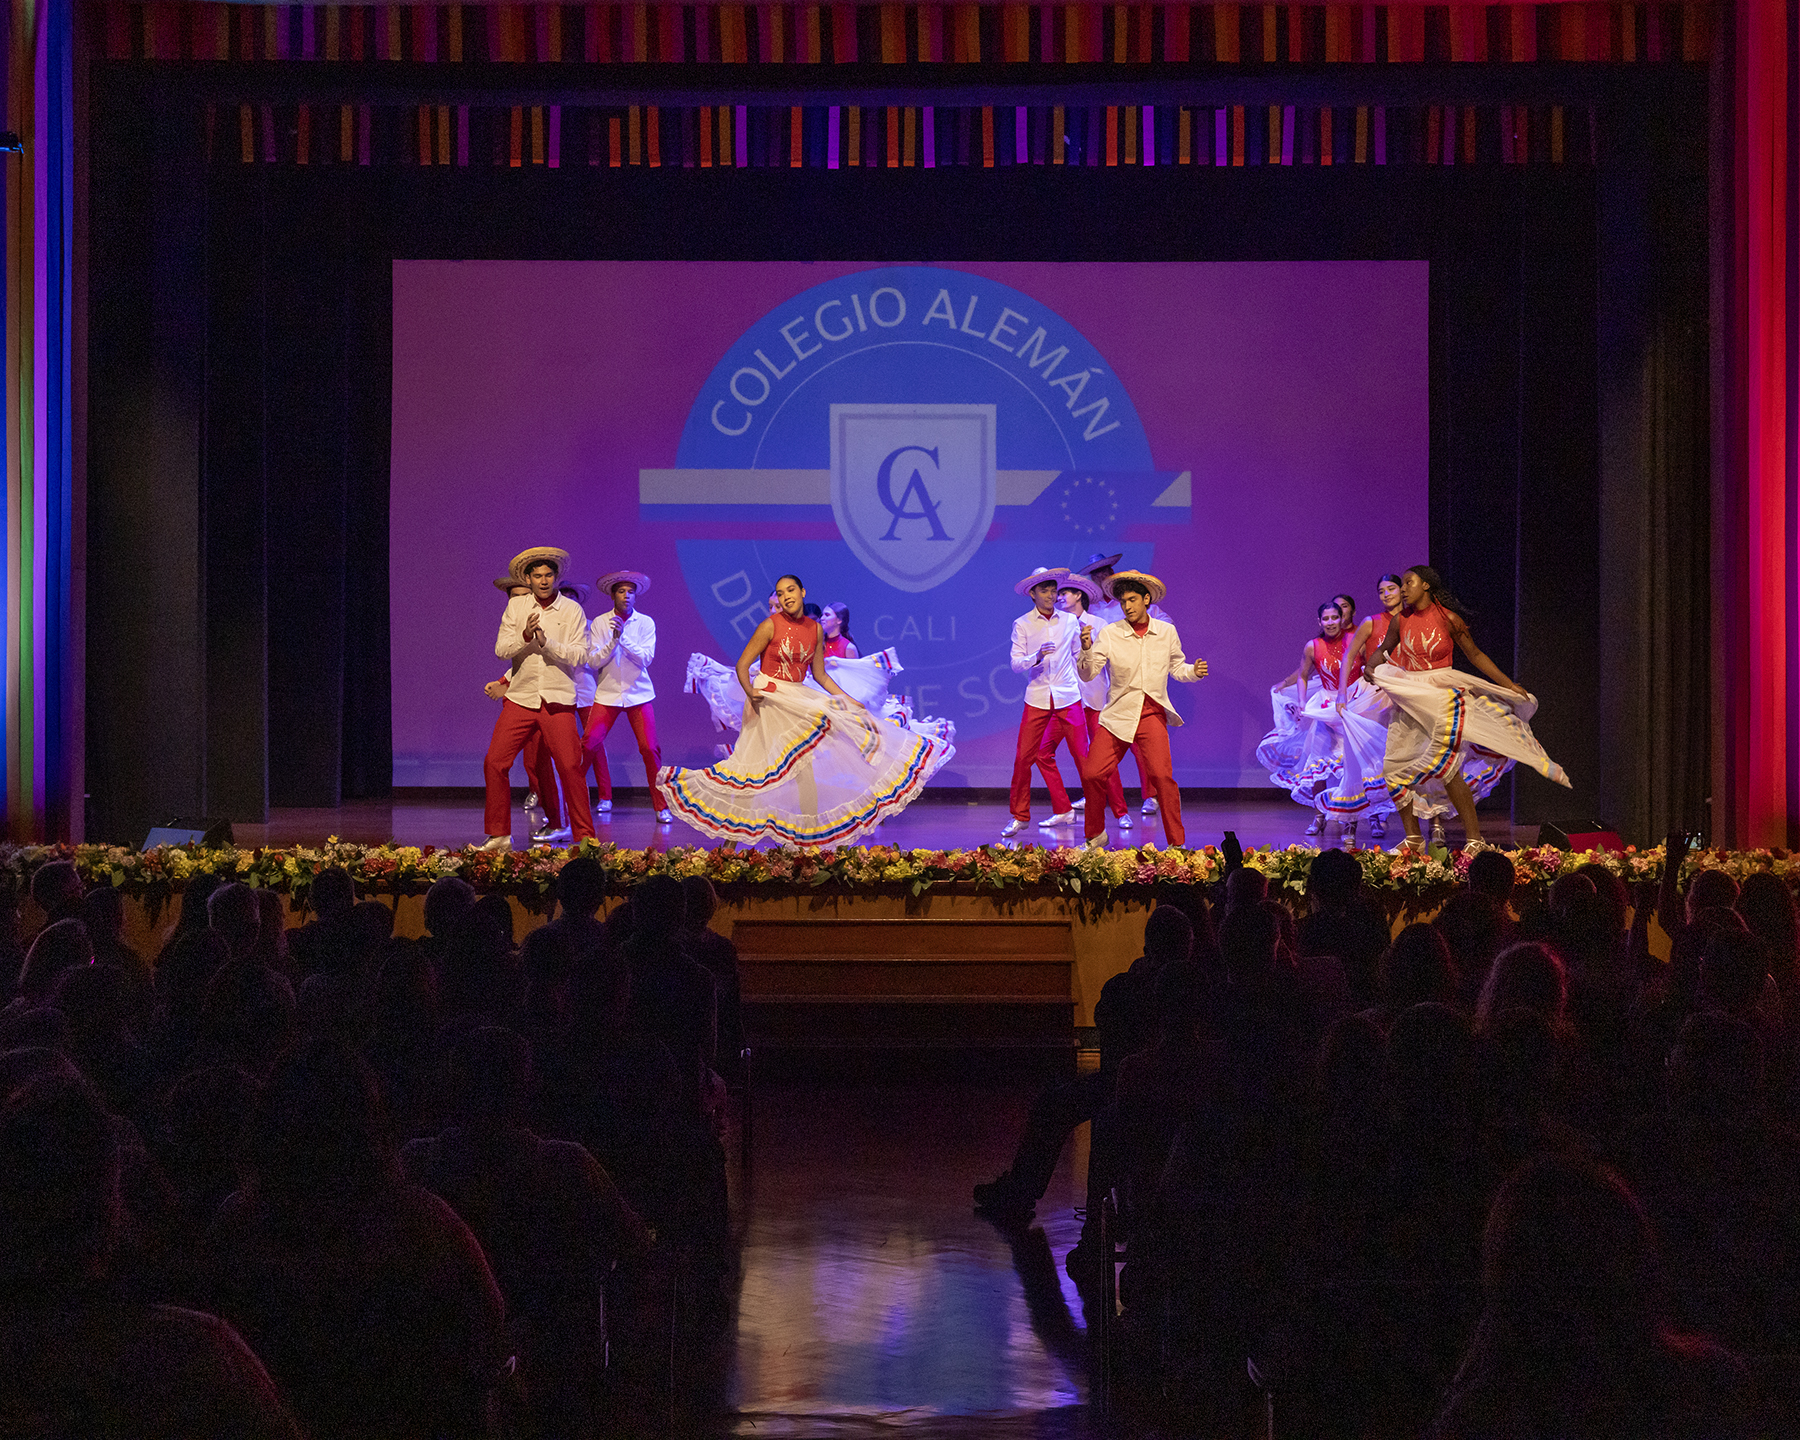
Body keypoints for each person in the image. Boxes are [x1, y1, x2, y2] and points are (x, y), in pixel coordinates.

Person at [659, 574, 944, 846]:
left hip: (795, 696)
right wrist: (751, 692)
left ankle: (808, 841)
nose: (786, 597)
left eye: (790, 590)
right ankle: (731, 843)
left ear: (802, 593)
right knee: (752, 768)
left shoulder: (814, 630)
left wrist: (848, 699)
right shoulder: (769, 626)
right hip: (767, 698)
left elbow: (820, 675)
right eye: (780, 593)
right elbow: (743, 665)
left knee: (805, 767)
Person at [1363, 565, 1569, 852]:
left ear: (1426, 585)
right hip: (1411, 697)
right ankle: (1413, 838)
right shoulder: (1401, 620)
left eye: (1409, 582)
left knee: (1447, 771)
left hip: (1441, 697)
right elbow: (1384, 648)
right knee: (1393, 769)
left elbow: (1475, 654)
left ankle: (1475, 839)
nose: (1404, 588)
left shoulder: (1448, 619)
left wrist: (1508, 684)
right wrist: (1371, 665)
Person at [1077, 569, 1207, 849]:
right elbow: (1088, 674)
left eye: (1132, 600)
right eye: (1123, 601)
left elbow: (1177, 667)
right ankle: (1096, 835)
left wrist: (1193, 672)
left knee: (1162, 778)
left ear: (1146, 600)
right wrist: (1085, 649)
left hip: (1151, 714)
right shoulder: (1111, 633)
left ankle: (1177, 844)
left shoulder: (1166, 632)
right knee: (1092, 774)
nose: (1127, 606)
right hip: (1118, 715)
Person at [480, 546, 596, 851]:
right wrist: (525, 637)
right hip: (522, 697)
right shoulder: (516, 607)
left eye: (548, 575)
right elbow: (501, 650)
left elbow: (580, 655)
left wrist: (547, 643)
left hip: (557, 699)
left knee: (570, 767)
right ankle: (499, 835)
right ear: (528, 579)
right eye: (537, 576)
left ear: (555, 578)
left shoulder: (571, 610)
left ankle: (585, 838)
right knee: (495, 762)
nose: (543, 581)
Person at [1257, 599, 1373, 841]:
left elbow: (1369, 668)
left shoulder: (1355, 642)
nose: (1330, 622)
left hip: (1351, 706)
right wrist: (1301, 702)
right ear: (1319, 621)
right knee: (1317, 763)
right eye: (1326, 618)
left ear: (1342, 618)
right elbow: (1303, 675)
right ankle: (1319, 816)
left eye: (1335, 617)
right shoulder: (1313, 646)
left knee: (1350, 768)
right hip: (1325, 707)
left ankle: (1350, 823)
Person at [1076, 550, 1170, 818]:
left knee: (1140, 744)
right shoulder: (1093, 610)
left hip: (1134, 682)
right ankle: (1096, 793)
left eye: (1106, 571)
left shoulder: (1132, 601)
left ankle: (1151, 795)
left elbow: (1165, 624)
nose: (1102, 576)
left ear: (1112, 573)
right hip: (1103, 685)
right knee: (1100, 744)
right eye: (1097, 574)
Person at [1002, 566, 1089, 839]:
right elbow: (1016, 663)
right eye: (1045, 590)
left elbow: (1079, 656)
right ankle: (1019, 816)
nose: (1051, 595)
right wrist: (1036, 657)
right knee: (1024, 758)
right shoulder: (1023, 624)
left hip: (1068, 695)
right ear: (1033, 594)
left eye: (1053, 590)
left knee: (1083, 756)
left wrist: (1088, 647)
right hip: (1038, 696)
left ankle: (1095, 817)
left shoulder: (1069, 621)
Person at [1042, 574, 1133, 832]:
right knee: (1042, 751)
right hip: (1066, 701)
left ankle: (1121, 812)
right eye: (1059, 594)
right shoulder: (1058, 625)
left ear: (1078, 595)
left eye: (1064, 593)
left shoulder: (1098, 624)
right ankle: (1064, 809)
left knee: (1102, 757)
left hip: (1093, 700)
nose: (1059, 598)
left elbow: (1112, 661)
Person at [583, 569, 670, 824]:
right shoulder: (600, 623)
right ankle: (571, 803)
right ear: (613, 595)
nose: (627, 596)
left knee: (649, 748)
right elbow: (593, 660)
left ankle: (661, 806)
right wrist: (613, 641)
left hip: (638, 694)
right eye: (621, 591)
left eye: (631, 592)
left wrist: (624, 640)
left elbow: (646, 658)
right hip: (608, 693)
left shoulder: (646, 623)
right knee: (588, 744)